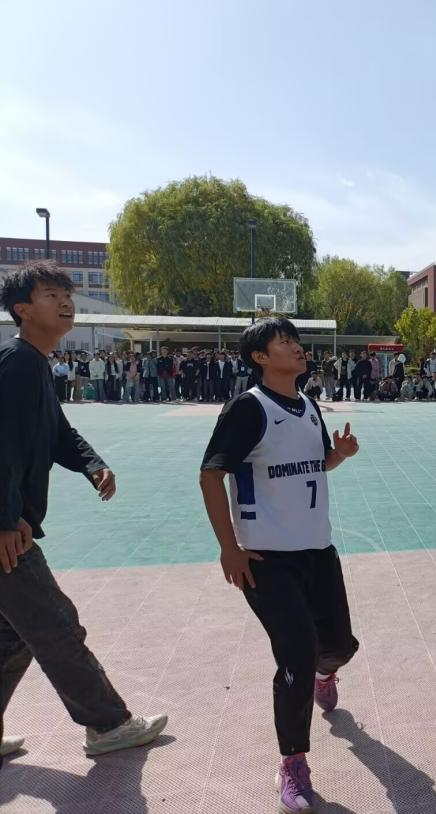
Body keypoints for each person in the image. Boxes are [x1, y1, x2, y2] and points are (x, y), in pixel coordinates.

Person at [0, 262, 169, 766]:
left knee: (13, 637)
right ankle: (108, 724)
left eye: (66, 294)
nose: (65, 302)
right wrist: (5, 517)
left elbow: (58, 432)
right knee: (55, 624)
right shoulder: (18, 363)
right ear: (22, 309)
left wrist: (92, 464)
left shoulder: (32, 363)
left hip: (9, 523)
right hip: (6, 531)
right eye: (50, 294)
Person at [199, 316, 360, 813]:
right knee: (295, 654)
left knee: (339, 646)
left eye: (296, 340)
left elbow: (314, 464)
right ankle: (292, 762)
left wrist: (339, 456)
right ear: (259, 357)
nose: (296, 347)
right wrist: (229, 546)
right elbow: (210, 475)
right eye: (284, 342)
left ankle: (325, 674)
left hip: (317, 549)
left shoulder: (308, 405)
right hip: (266, 558)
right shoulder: (248, 408)